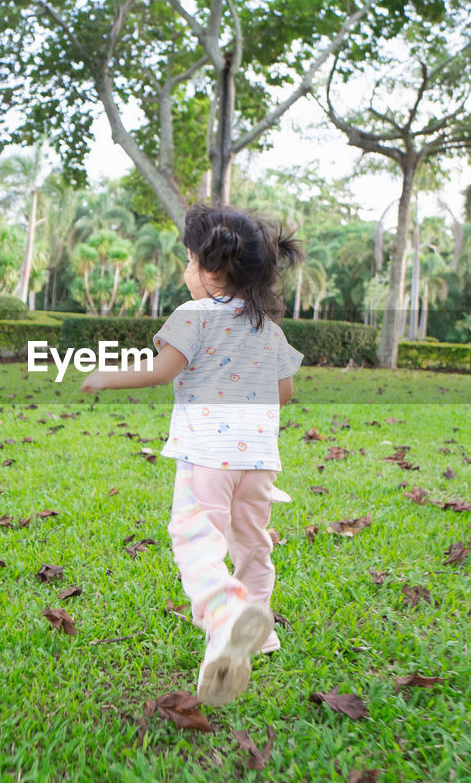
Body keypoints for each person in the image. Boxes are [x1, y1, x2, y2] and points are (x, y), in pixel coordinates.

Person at [80, 202, 304, 706]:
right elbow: (283, 391)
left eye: (188, 260)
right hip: (260, 462)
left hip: (207, 457)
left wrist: (106, 376)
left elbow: (162, 369)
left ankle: (224, 613)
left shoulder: (194, 316)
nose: (185, 271)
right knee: (251, 540)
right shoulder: (269, 328)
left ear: (211, 269)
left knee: (195, 536)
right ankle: (259, 633)